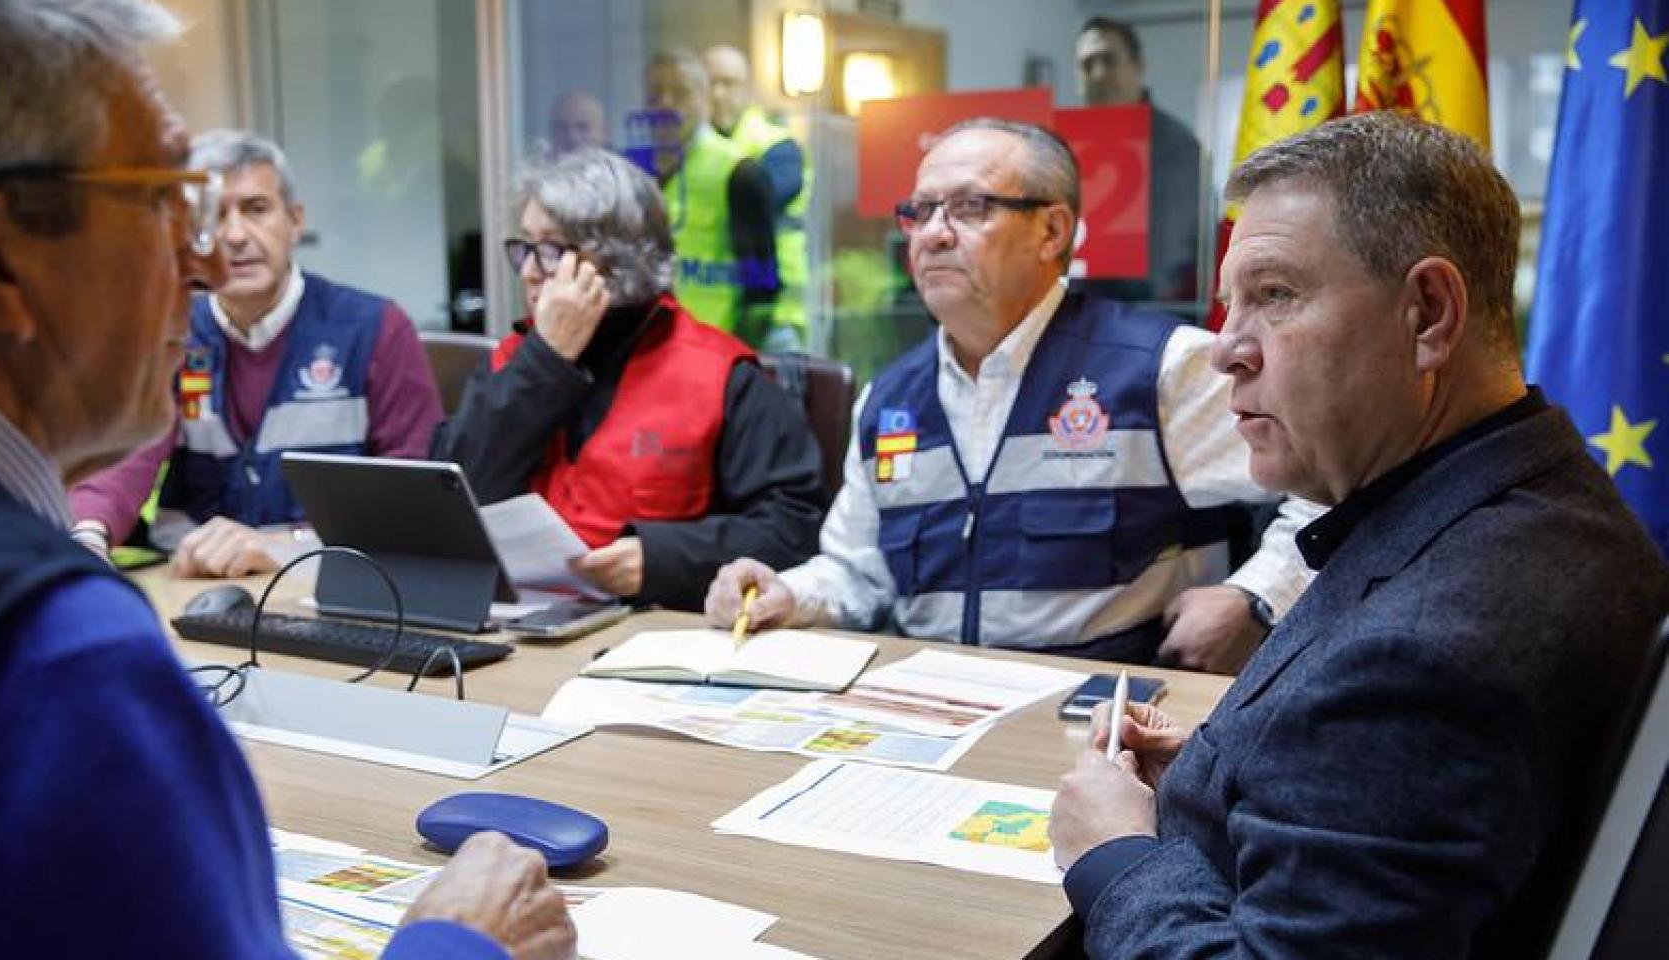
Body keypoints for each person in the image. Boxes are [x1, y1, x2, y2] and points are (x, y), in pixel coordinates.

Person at [0, 2, 575, 958]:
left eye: (239, 210)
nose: (207, 257)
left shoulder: (367, 326)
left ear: (296, 220)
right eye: (167, 200)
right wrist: (461, 941)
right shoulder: (60, 659)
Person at [1048, 112, 1669, 956]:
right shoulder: (1535, 499)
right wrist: (1235, 771)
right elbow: (1399, 791)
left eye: (1274, 295)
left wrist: (1114, 856)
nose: (1225, 350)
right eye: (1231, 304)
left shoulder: (1427, 653)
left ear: (1429, 314)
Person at [706, 119, 1315, 669]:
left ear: (1052, 231)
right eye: (920, 211)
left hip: (1101, 716)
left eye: (969, 208)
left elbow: (1330, 491)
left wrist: (1255, 596)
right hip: (931, 704)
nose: (933, 235)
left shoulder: (1159, 367)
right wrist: (787, 593)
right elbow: (857, 571)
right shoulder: (890, 400)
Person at [432, 147, 824, 611]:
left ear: (620, 260)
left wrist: (660, 560)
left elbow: (793, 527)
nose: (531, 272)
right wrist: (546, 362)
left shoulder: (721, 375)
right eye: (525, 249)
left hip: (653, 627)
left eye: (552, 250)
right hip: (513, 622)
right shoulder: (516, 359)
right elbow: (448, 500)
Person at [68, 128, 444, 578]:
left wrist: (288, 547)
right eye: (213, 216)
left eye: (256, 209)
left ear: (295, 220)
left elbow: (418, 499)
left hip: (326, 579)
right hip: (190, 579)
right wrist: (86, 537)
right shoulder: (168, 331)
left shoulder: (375, 328)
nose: (235, 235)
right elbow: (123, 457)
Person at [643, 48, 798, 351]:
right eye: (655, 94)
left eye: (680, 93)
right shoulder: (639, 172)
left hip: (720, 343)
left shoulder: (737, 171)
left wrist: (739, 351)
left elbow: (761, 282)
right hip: (661, 341)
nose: (665, 103)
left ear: (703, 100)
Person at [1075, 16, 1201, 304]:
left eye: (1108, 60)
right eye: (1087, 64)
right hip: (1079, 306)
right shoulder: (1065, 145)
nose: (1098, 74)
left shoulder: (1174, 145)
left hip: (1148, 309)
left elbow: (1168, 260)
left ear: (1137, 66)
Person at [703, 43, 810, 336]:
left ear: (748, 89)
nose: (718, 94)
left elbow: (756, 203)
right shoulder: (693, 153)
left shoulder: (778, 147)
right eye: (710, 83)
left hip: (772, 314)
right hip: (712, 309)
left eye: (729, 83)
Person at [549, 89, 607, 156]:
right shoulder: (540, 161)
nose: (572, 137)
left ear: (604, 131)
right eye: (562, 127)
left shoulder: (616, 162)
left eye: (582, 127)